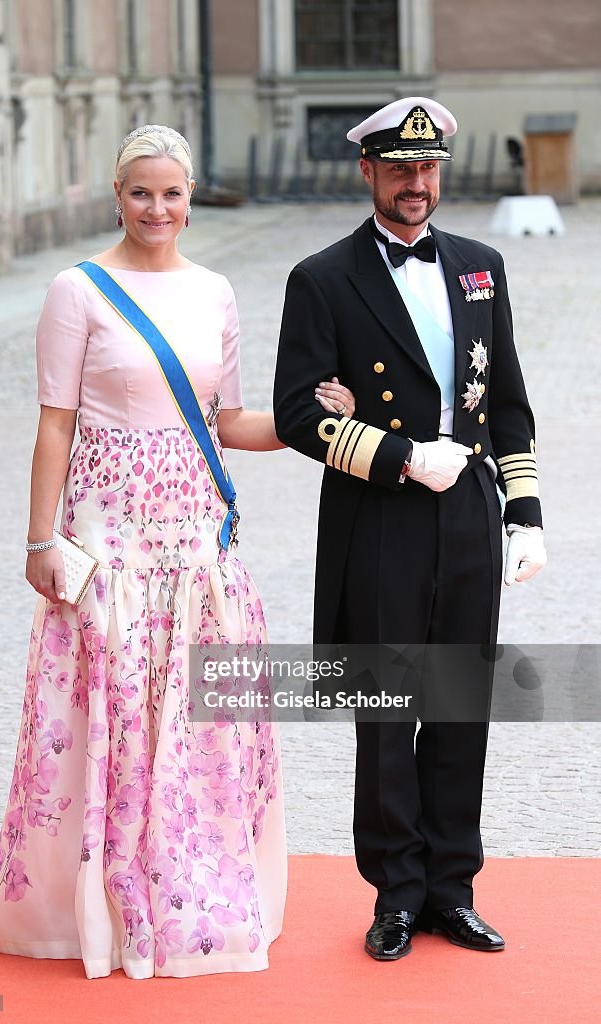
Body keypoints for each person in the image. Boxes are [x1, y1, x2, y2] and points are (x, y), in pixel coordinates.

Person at [0, 124, 355, 980]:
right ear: (117, 194)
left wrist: (313, 422)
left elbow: (228, 423)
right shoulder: (76, 290)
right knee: (111, 709)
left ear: (190, 198)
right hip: (109, 535)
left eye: (172, 193)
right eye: (141, 192)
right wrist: (44, 539)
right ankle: (97, 902)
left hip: (193, 536)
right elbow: (55, 423)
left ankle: (193, 882)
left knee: (193, 710)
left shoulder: (215, 292)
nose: (157, 208)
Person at [273, 97, 547, 961]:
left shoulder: (480, 266)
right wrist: (395, 456)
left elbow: (506, 402)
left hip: (466, 512)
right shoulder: (321, 277)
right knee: (389, 713)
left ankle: (450, 891)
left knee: (459, 708)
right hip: (381, 518)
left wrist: (524, 513)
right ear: (367, 172)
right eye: (398, 169)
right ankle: (394, 893)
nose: (414, 184)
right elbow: (293, 414)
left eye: (426, 169)